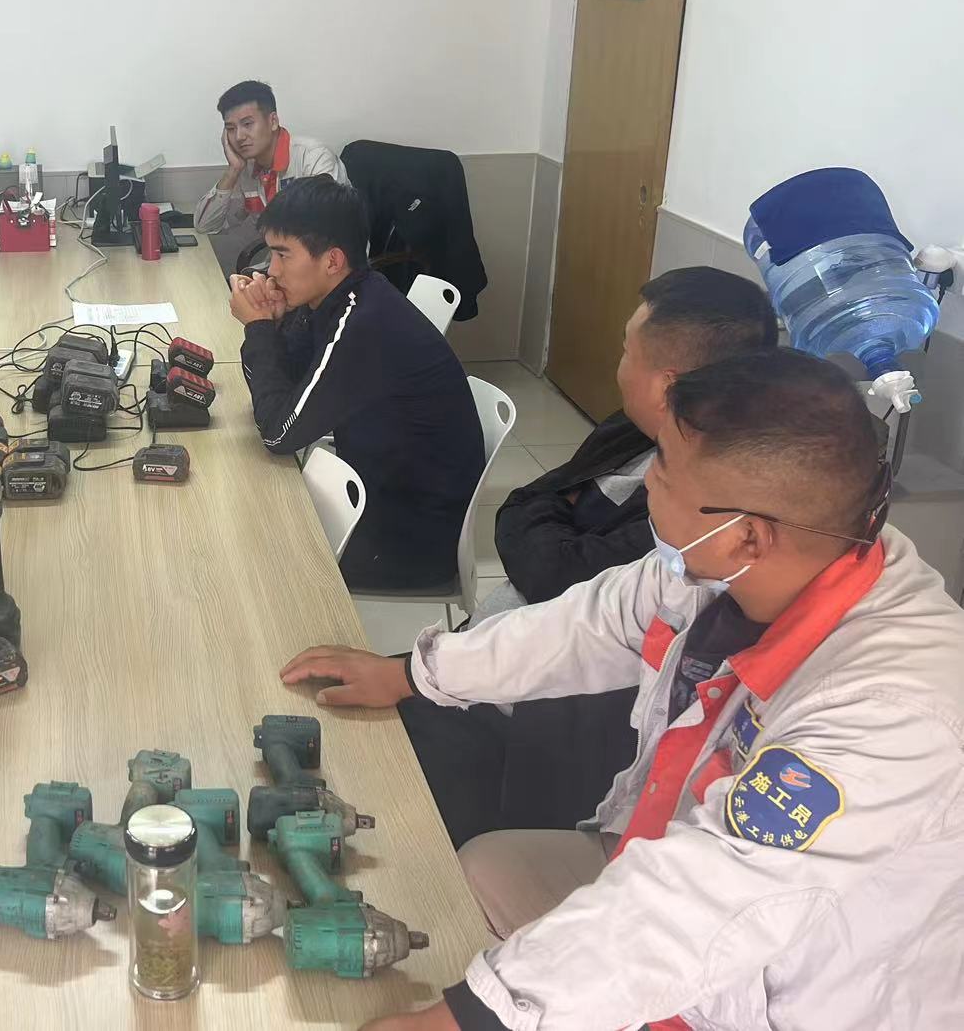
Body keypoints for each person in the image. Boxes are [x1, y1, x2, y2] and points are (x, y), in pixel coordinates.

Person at [282, 350, 964, 1031]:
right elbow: (591, 623)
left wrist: (466, 1019)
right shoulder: (743, 565)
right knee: (484, 870)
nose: (647, 485)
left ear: (747, 537)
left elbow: (706, 901)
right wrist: (414, 675)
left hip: (788, 990)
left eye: (662, 467)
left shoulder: (891, 715)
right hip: (671, 869)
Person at [402, 266, 779, 847]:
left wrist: (554, 530)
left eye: (626, 350)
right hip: (495, 655)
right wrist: (419, 672)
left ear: (667, 385)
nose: (652, 483)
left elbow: (558, 579)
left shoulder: (705, 508)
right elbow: (524, 506)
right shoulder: (631, 433)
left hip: (536, 716)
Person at [229, 177, 483, 590]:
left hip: (410, 540)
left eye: (282, 254)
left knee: (247, 551)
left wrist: (257, 329)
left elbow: (278, 433)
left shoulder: (362, 324)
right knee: (248, 516)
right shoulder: (341, 298)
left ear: (332, 260)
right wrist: (271, 325)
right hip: (384, 497)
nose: (271, 271)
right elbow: (287, 390)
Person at [194, 80, 348, 273]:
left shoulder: (313, 158)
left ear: (273, 121)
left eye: (247, 124)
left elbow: (322, 235)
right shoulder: (248, 170)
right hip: (283, 270)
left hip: (328, 272)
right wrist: (233, 170)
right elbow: (205, 226)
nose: (239, 136)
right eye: (231, 129)